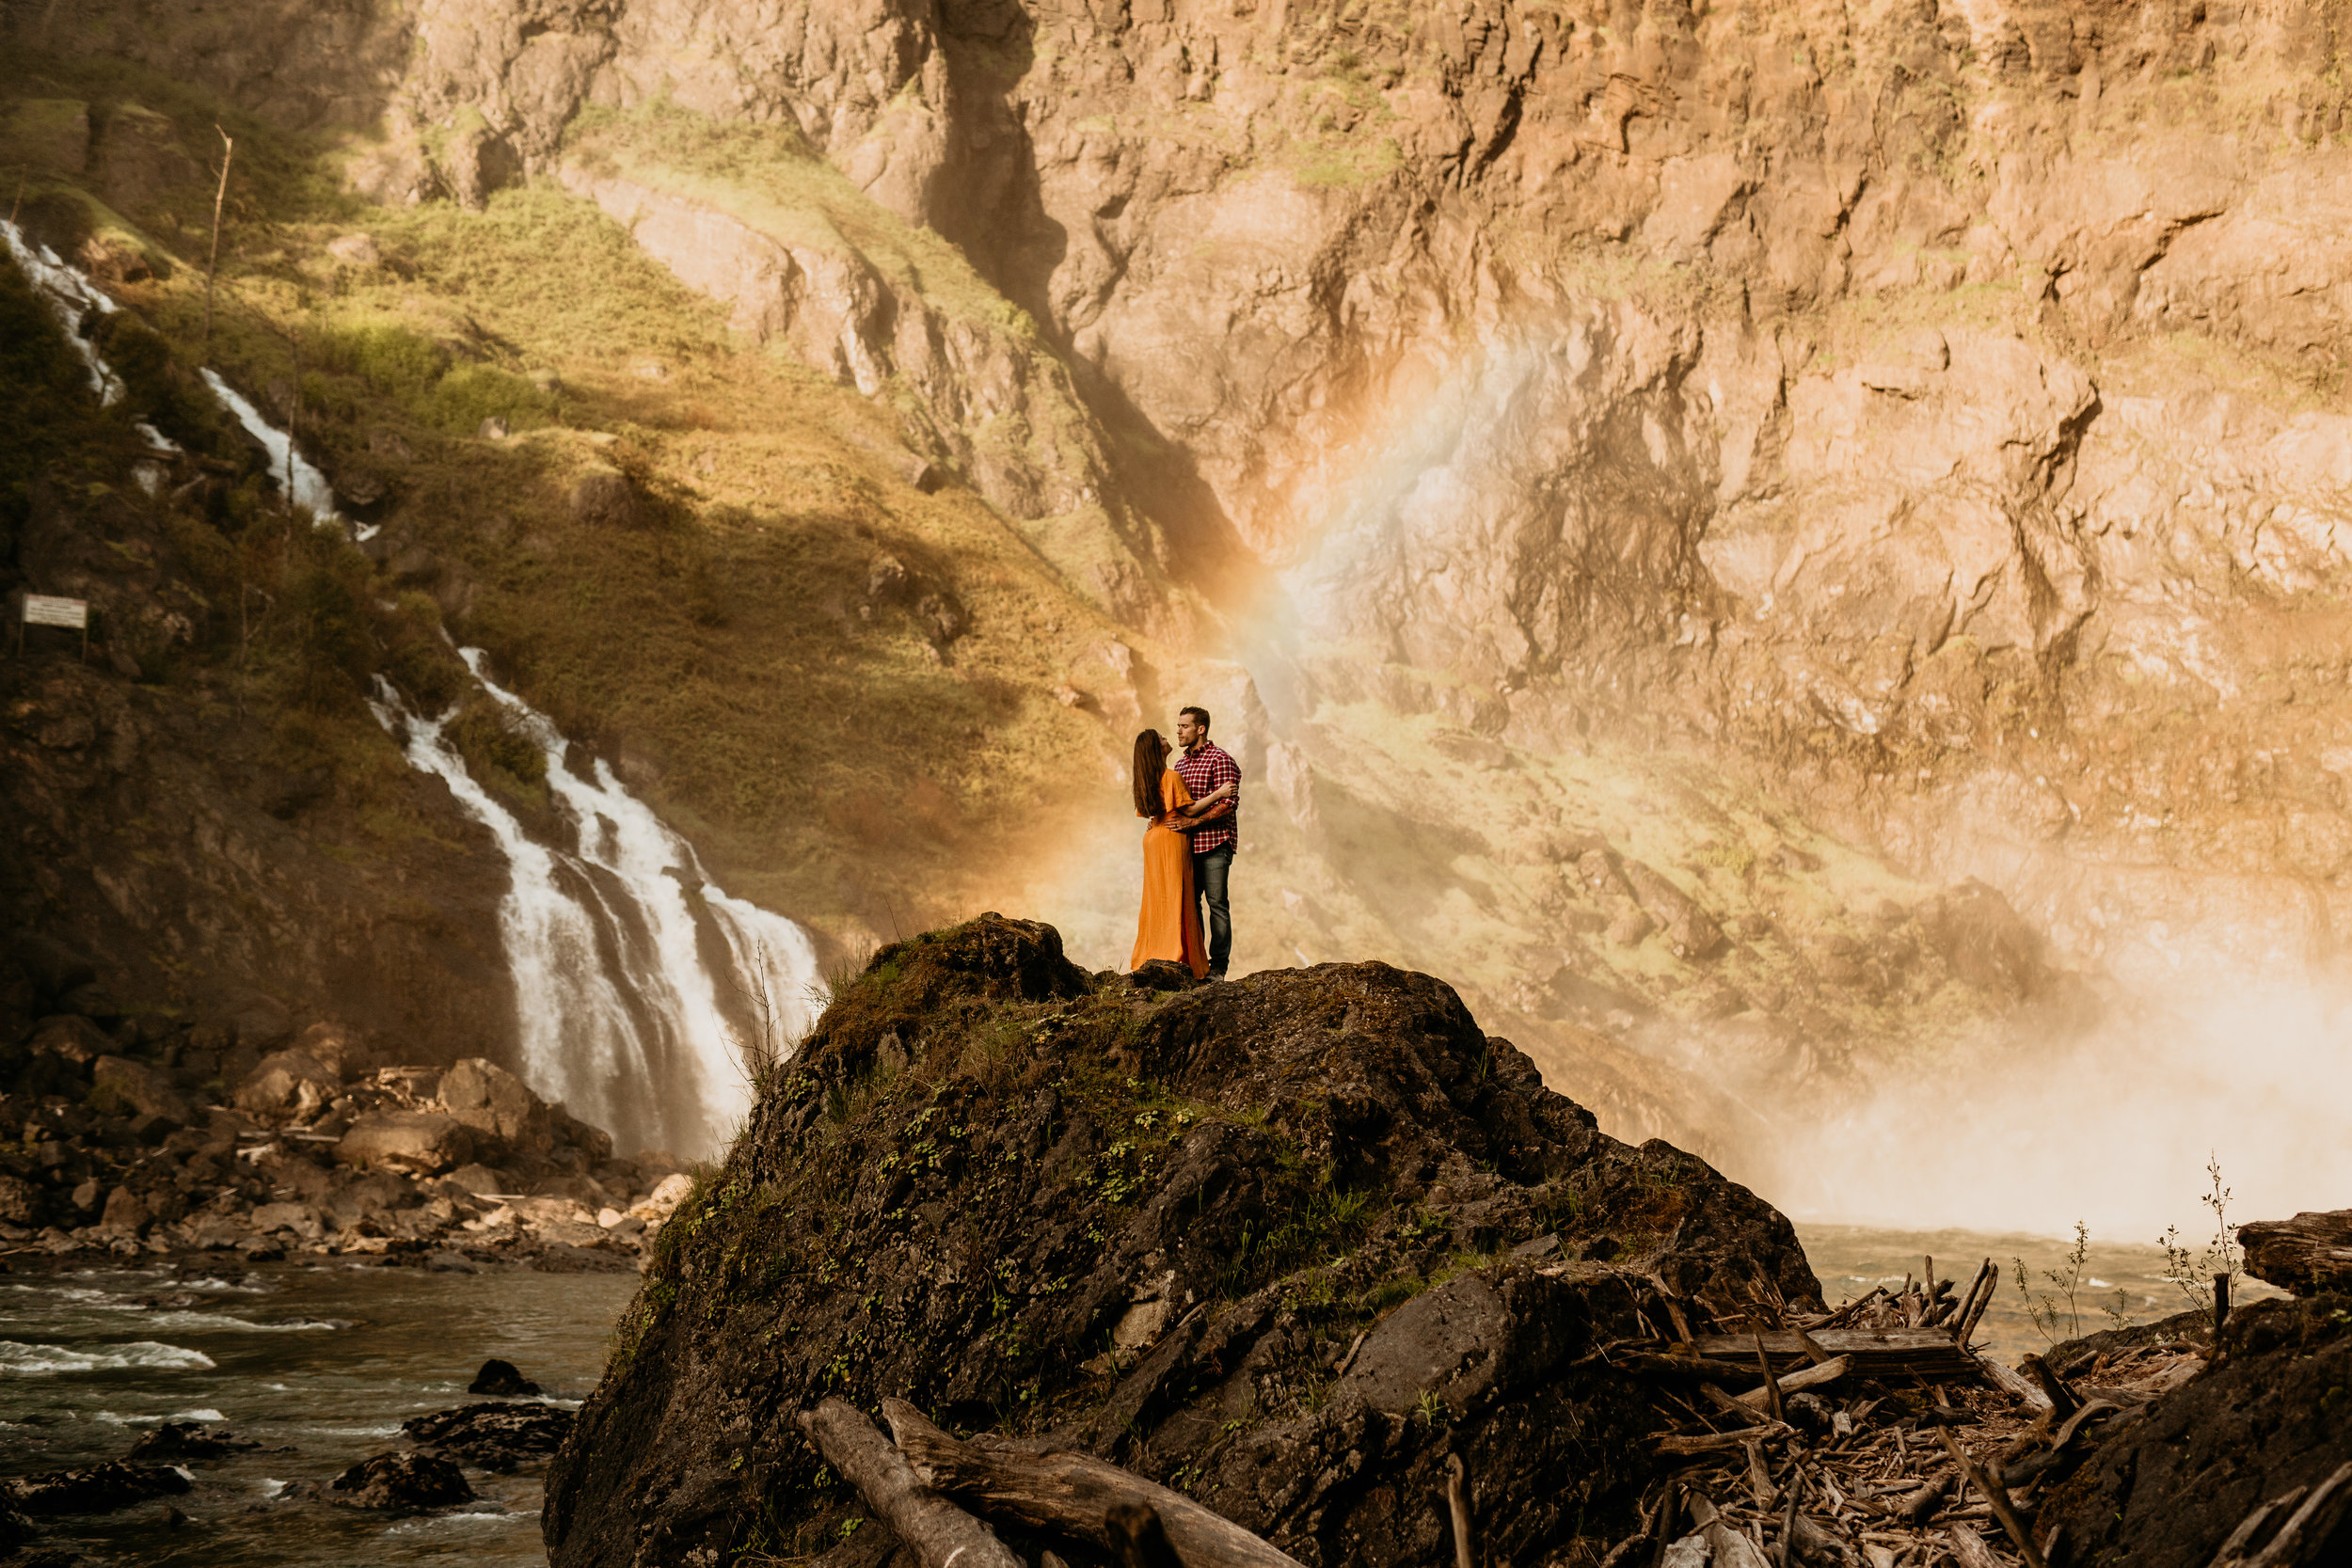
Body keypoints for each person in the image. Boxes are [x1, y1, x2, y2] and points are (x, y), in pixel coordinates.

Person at [1129, 728, 1233, 976]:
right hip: (1172, 838)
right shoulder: (1171, 775)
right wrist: (1219, 794)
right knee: (1179, 897)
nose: (1168, 739)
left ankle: (1155, 950)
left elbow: (1152, 813)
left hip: (1153, 838)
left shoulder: (1145, 778)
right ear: (1157, 749)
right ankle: (1183, 957)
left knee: (1158, 898)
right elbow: (1188, 811)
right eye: (1162, 739)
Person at [1172, 705, 1240, 980]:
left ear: (1200, 729)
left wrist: (1195, 823)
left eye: (1184, 726)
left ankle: (1219, 967)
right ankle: (1199, 963)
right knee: (1192, 905)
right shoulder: (1180, 765)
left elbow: (1228, 805)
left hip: (1215, 844)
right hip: (1187, 846)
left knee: (1217, 903)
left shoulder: (1220, 759)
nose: (1178, 730)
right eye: (1178, 726)